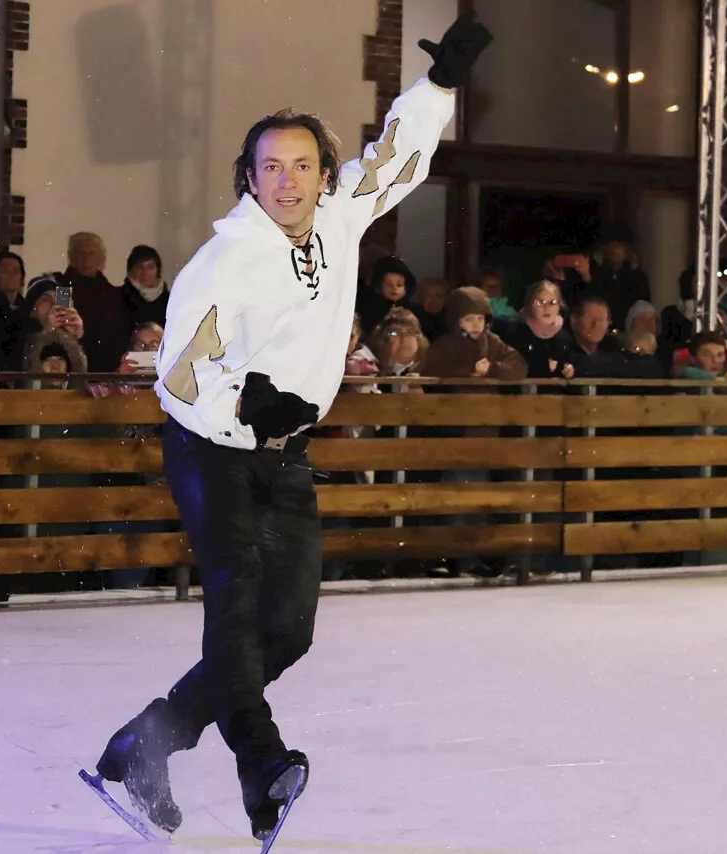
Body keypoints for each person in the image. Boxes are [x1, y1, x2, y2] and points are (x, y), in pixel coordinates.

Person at [90, 11, 492, 841]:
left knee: (288, 631)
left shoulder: (340, 217)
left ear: (320, 173)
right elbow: (179, 373)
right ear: (249, 174)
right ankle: (263, 771)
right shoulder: (224, 260)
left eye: (303, 166)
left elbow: (395, 161)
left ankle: (144, 745)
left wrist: (441, 86)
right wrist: (241, 402)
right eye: (271, 167)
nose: (288, 181)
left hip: (288, 459)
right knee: (236, 614)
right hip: (212, 453)